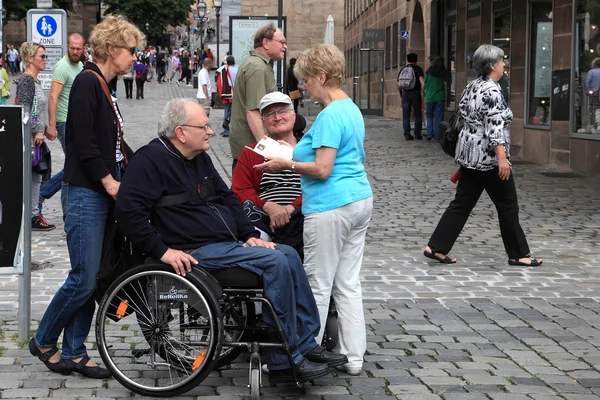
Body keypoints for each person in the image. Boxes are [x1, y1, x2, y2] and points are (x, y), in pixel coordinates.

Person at [114, 98, 347, 382]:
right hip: (194, 250)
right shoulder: (149, 161)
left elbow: (228, 197)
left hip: (225, 243)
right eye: (203, 126)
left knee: (287, 253)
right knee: (275, 261)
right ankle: (284, 361)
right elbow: (127, 213)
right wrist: (162, 251)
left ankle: (307, 343)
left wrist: (249, 234)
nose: (211, 131)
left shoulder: (198, 157)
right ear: (181, 132)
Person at [29, 15, 141, 379]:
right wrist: (110, 182)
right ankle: (44, 339)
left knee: (95, 278)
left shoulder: (103, 87)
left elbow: (116, 145)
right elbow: (85, 145)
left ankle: (75, 351)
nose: (134, 59)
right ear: (112, 49)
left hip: (102, 195)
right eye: (131, 51)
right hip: (86, 194)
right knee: (83, 278)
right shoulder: (86, 83)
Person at [255, 44, 374, 376]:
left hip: (331, 205)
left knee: (318, 284)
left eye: (306, 79)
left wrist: (286, 163)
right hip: (358, 198)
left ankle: (305, 355)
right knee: (347, 282)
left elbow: (322, 168)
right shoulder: (349, 108)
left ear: (321, 76)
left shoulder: (330, 115)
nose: (303, 86)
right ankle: (353, 356)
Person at [423, 44, 543, 267]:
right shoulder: (492, 91)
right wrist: (502, 159)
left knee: (461, 204)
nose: (504, 64)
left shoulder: (472, 86)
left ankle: (436, 246)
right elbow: (495, 128)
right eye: (501, 61)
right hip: (488, 160)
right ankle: (518, 254)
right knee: (508, 205)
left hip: (469, 156)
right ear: (492, 65)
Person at [232, 92, 303, 256]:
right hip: (264, 216)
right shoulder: (251, 152)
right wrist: (268, 206)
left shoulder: (309, 149)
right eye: (270, 114)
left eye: (283, 111)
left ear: (293, 115)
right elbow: (239, 190)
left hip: (304, 211)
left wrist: (291, 208)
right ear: (263, 121)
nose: (277, 117)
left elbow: (321, 181)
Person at [229, 23, 286, 171]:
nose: (285, 46)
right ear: (266, 43)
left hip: (250, 145)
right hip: (252, 148)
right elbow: (253, 111)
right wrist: (266, 150)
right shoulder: (257, 67)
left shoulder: (259, 65)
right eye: (282, 42)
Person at [39, 33, 85, 214]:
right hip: (64, 122)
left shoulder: (80, 65)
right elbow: (53, 96)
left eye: (78, 48)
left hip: (75, 122)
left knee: (73, 166)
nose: (75, 51)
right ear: (67, 47)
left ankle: (66, 207)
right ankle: (42, 194)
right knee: (76, 165)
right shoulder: (62, 67)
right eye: (72, 48)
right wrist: (52, 125)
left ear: (83, 48)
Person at [16, 42, 56, 232]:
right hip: (29, 137)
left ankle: (33, 213)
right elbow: (26, 111)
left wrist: (45, 127)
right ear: (30, 58)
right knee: (32, 177)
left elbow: (36, 111)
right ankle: (31, 215)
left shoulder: (35, 80)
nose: (45, 59)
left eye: (45, 56)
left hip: (36, 136)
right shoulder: (26, 80)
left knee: (36, 177)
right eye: (42, 56)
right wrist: (37, 131)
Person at [398, 53, 425, 140]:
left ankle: (407, 134)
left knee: (406, 115)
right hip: (415, 93)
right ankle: (417, 134)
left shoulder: (403, 69)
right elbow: (422, 82)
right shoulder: (418, 69)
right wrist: (422, 91)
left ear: (408, 59)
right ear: (416, 60)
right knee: (417, 114)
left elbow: (398, 84)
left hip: (405, 93)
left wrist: (401, 93)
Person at [424, 56, 449, 141]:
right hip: (439, 97)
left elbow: (424, 84)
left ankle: (429, 133)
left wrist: (423, 92)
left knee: (429, 116)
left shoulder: (428, 72)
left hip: (429, 97)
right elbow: (448, 80)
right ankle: (437, 136)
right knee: (439, 117)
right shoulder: (442, 73)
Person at [217, 55, 237, 137]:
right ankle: (234, 130)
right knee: (235, 113)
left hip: (227, 94)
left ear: (227, 63)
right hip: (236, 94)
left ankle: (226, 131)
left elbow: (219, 83)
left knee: (226, 111)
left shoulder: (223, 70)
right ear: (234, 62)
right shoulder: (237, 70)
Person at [585, 58, 600, 131]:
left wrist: (587, 91)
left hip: (593, 92)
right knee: (598, 108)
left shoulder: (591, 72)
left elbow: (587, 83)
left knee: (592, 109)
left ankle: (593, 125)